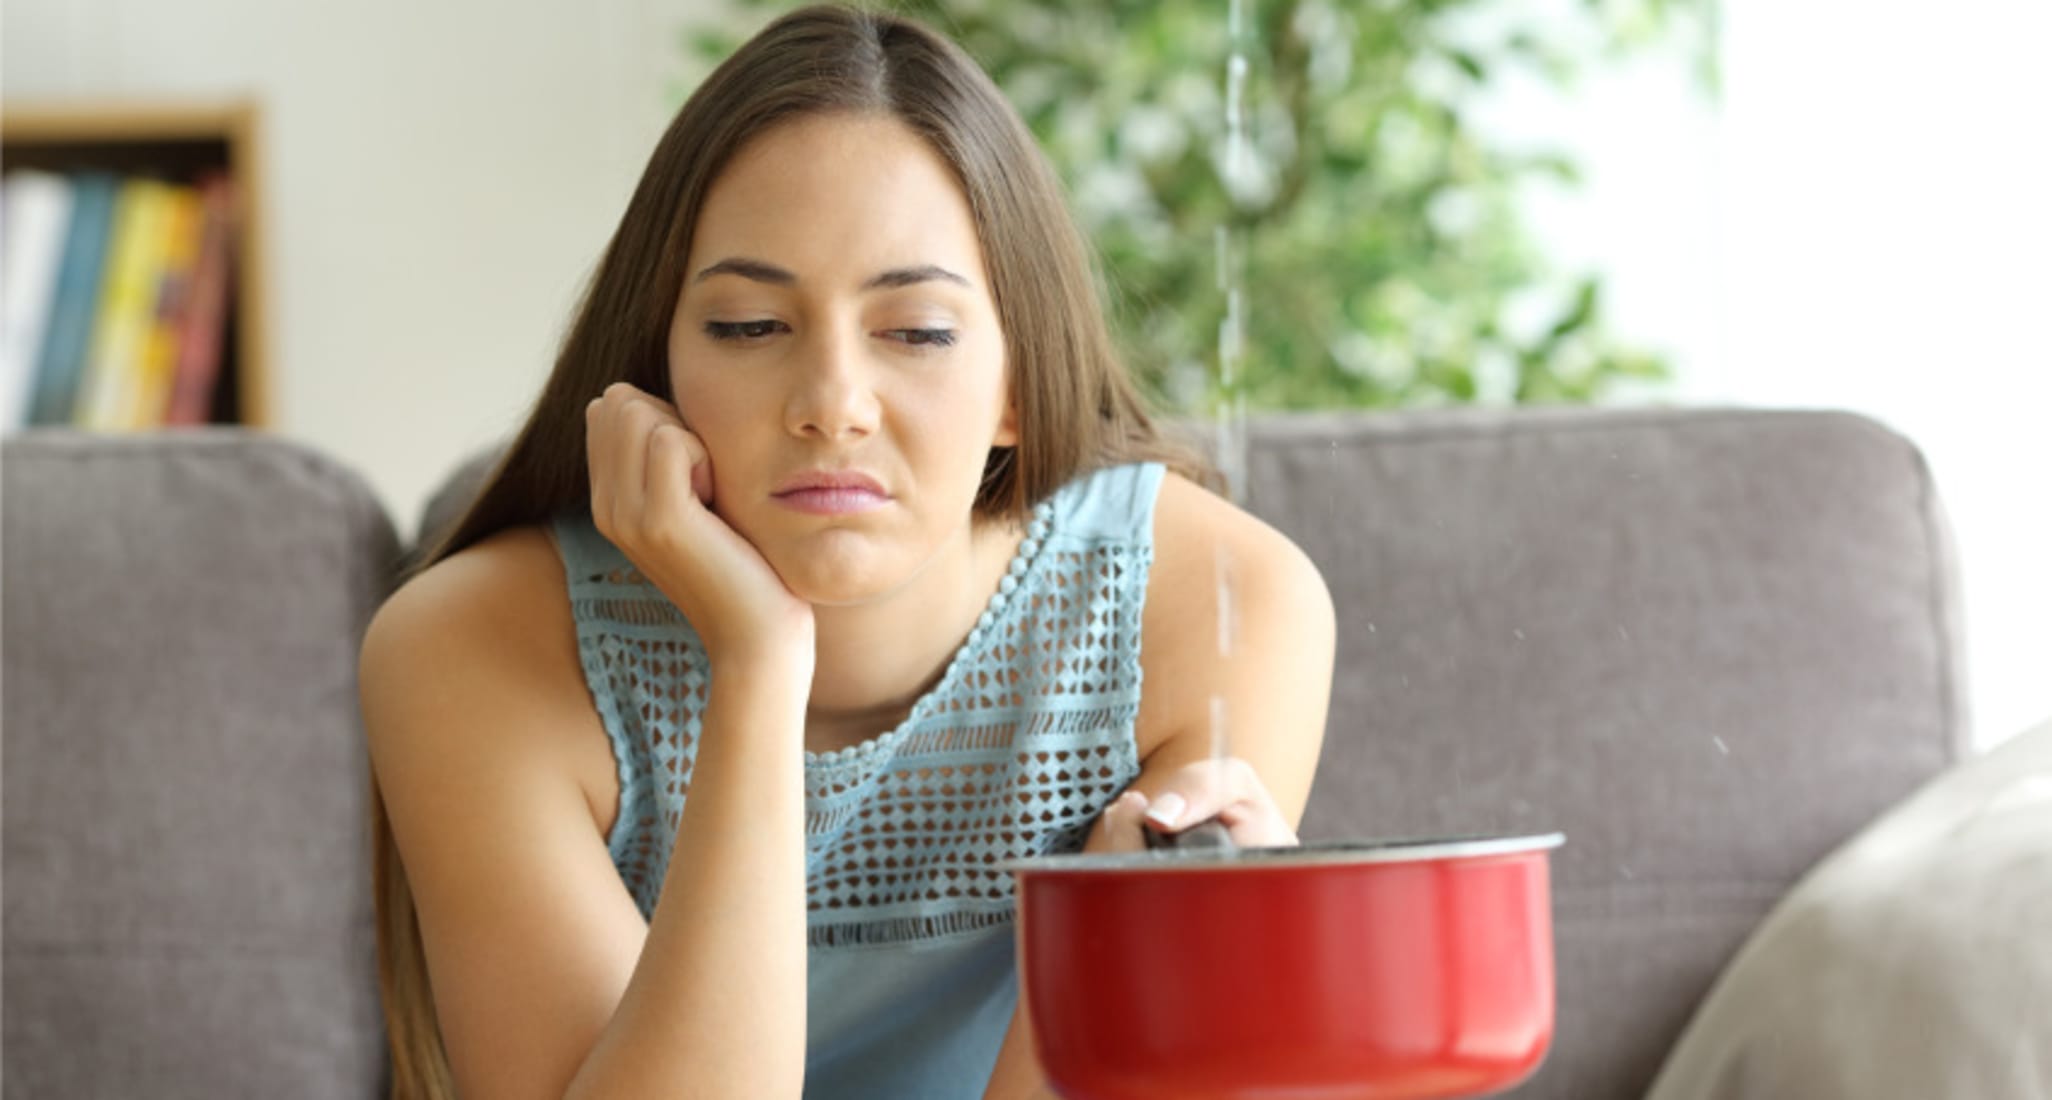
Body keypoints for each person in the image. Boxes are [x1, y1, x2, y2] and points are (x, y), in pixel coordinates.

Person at [359, 5, 1335, 1097]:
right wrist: (758, 663)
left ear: (1019, 384)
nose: (831, 405)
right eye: (747, 327)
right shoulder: (467, 650)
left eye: (916, 330)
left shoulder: (1215, 601)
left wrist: (1107, 958)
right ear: (660, 364)